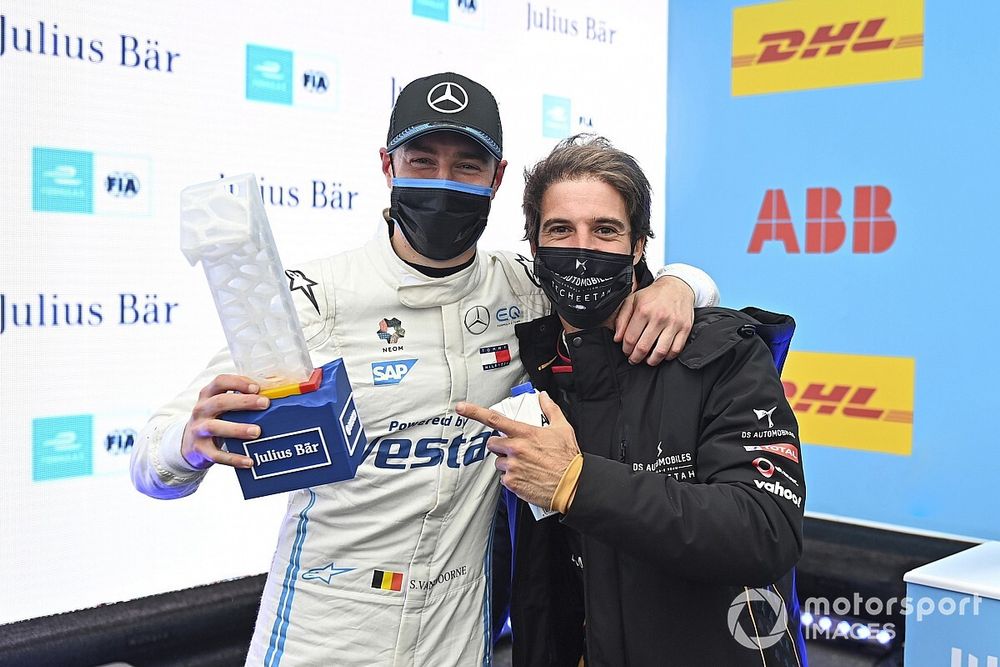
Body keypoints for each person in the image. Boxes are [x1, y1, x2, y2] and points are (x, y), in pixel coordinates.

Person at [129, 75, 719, 666]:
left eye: (466, 165)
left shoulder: (525, 283)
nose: (443, 182)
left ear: (497, 177)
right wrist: (189, 443)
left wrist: (681, 283)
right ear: (387, 166)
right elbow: (151, 467)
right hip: (324, 636)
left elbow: (627, 276)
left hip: (456, 638)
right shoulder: (313, 298)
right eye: (422, 161)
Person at [457, 135, 807, 666]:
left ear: (638, 245)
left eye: (605, 230)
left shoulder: (723, 353)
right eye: (560, 230)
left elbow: (765, 530)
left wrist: (577, 484)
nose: (582, 249)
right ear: (534, 246)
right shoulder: (534, 364)